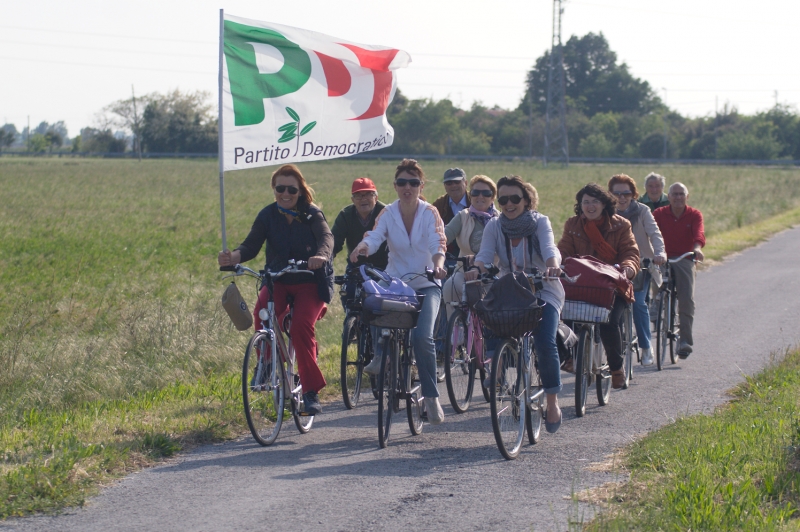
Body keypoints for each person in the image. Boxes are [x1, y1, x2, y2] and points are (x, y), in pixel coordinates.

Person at [218, 164, 333, 415]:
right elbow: (251, 246)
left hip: (309, 282)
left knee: (302, 325)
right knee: (263, 311)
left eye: (292, 189)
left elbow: (327, 239)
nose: (285, 193)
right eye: (280, 188)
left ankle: (310, 391)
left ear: (300, 191)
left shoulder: (313, 214)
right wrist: (233, 257)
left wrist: (321, 256)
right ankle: (267, 363)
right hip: (278, 280)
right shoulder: (268, 215)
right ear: (274, 189)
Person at [350, 159, 449, 424]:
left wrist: (438, 266)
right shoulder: (389, 213)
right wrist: (363, 248)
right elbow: (375, 236)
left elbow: (438, 241)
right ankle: (381, 355)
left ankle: (431, 397)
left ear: (421, 186)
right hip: (397, 283)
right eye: (402, 183)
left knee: (422, 337)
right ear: (395, 186)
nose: (408, 187)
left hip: (427, 284)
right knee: (372, 300)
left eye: (413, 183)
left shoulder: (430, 213)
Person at [467, 175, 565, 433]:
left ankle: (553, 402)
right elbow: (485, 255)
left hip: (543, 289)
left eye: (515, 199)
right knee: (489, 313)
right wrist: (477, 269)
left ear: (526, 200)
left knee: (545, 341)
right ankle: (496, 368)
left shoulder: (540, 222)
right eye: (504, 199)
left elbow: (549, 249)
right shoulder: (494, 226)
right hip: (510, 290)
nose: (509, 204)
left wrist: (553, 267)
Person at [557, 183, 639, 389]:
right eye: (586, 202)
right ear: (580, 205)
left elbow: (630, 252)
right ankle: (569, 358)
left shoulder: (621, 225)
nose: (590, 206)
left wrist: (627, 269)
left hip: (611, 285)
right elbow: (563, 250)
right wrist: (557, 265)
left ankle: (616, 368)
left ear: (604, 204)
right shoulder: (573, 225)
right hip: (581, 285)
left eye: (595, 202)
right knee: (561, 317)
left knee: (609, 323)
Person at [608, 174, 666, 366]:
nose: (622, 197)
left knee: (639, 303)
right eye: (617, 193)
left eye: (626, 193)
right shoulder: (605, 212)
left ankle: (646, 346)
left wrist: (659, 253)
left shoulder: (642, 210)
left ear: (633, 194)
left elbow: (654, 233)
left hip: (642, 264)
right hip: (613, 266)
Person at [652, 182, 705, 359]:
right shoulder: (659, 214)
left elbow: (699, 234)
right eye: (674, 194)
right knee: (653, 276)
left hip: (684, 257)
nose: (678, 197)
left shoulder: (694, 215)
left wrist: (697, 249)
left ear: (687, 197)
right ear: (668, 197)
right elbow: (651, 233)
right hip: (663, 257)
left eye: (681, 194)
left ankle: (685, 341)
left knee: (686, 299)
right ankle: (655, 305)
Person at [442, 174, 499, 318]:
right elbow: (444, 236)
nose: (480, 196)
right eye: (475, 192)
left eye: (486, 193)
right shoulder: (463, 216)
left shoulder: (500, 220)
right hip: (464, 272)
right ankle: (455, 332)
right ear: (470, 195)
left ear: (493, 197)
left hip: (493, 274)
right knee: (450, 285)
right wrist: (435, 247)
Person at [331, 177, 389, 308]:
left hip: (384, 267)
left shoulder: (386, 213)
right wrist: (326, 257)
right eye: (358, 195)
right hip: (356, 267)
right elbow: (334, 242)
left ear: (376, 197)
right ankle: (351, 324)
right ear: (352, 200)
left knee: (382, 303)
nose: (364, 199)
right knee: (348, 293)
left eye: (368, 194)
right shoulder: (345, 215)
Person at [432, 168, 471, 256]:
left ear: (466, 183)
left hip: (472, 255)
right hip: (446, 256)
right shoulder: (438, 205)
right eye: (449, 183)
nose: (453, 185)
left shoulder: (476, 201)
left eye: (457, 182)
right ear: (445, 186)